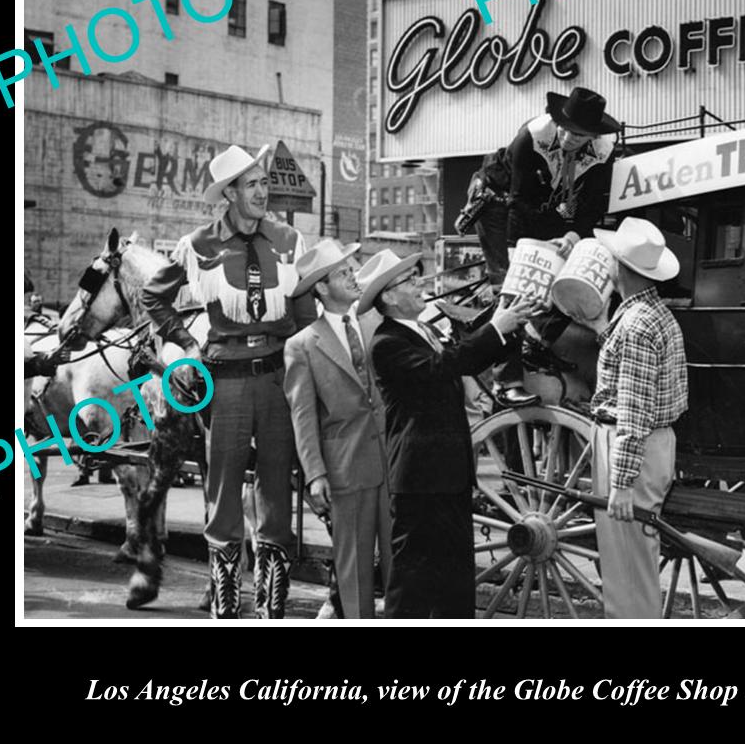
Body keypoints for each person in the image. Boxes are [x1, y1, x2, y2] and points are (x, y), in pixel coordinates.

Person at [142, 143, 315, 619]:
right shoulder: (198, 244)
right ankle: (225, 604)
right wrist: (185, 341)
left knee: (277, 486)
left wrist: (309, 369)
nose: (264, 191)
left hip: (279, 378)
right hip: (227, 382)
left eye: (264, 183)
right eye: (253, 184)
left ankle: (271, 606)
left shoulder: (287, 240)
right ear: (231, 193)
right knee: (223, 488)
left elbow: (303, 314)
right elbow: (153, 296)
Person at [361, 249, 534, 618]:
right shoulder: (386, 342)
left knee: (455, 581)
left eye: (419, 276)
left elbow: (465, 356)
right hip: (419, 479)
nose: (421, 284)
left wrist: (505, 328)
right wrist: (495, 330)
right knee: (411, 585)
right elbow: (444, 365)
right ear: (389, 296)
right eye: (411, 280)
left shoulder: (422, 331)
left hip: (446, 474)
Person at [462, 86, 620, 408]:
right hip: (498, 204)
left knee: (565, 273)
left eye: (580, 135)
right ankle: (507, 380)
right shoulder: (531, 136)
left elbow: (589, 209)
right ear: (558, 120)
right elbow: (519, 205)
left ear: (592, 135)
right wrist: (520, 255)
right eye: (566, 129)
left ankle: (537, 342)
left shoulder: (604, 152)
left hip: (551, 208)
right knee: (510, 285)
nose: (569, 138)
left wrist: (572, 237)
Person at [282, 238, 392, 620]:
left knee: (401, 566)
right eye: (342, 272)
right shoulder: (302, 345)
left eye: (352, 268)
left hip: (393, 461)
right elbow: (303, 415)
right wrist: (315, 475)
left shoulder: (378, 323)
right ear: (322, 288)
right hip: (346, 469)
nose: (352, 275)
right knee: (354, 569)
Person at [588, 216, 689, 619]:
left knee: (626, 564)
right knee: (636, 560)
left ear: (620, 268)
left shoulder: (634, 325)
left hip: (631, 446)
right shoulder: (653, 315)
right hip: (655, 443)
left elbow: (632, 409)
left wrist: (622, 482)